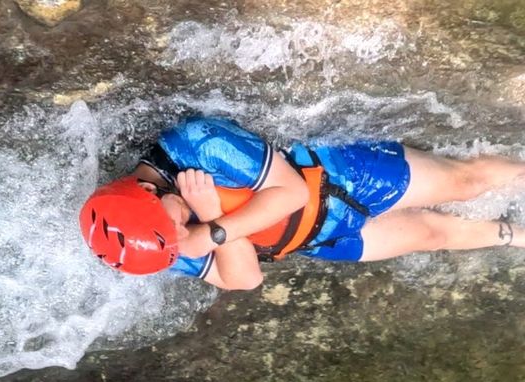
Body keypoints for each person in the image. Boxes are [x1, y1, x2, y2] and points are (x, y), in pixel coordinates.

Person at [78, 116, 525, 290]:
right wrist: (208, 221)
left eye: (174, 228)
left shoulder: (200, 146)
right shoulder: (150, 246)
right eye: (174, 241)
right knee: (431, 234)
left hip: (341, 177)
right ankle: (516, 236)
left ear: (148, 192)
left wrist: (214, 226)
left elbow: (290, 191)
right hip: (315, 238)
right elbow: (246, 279)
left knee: (467, 183)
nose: (181, 238)